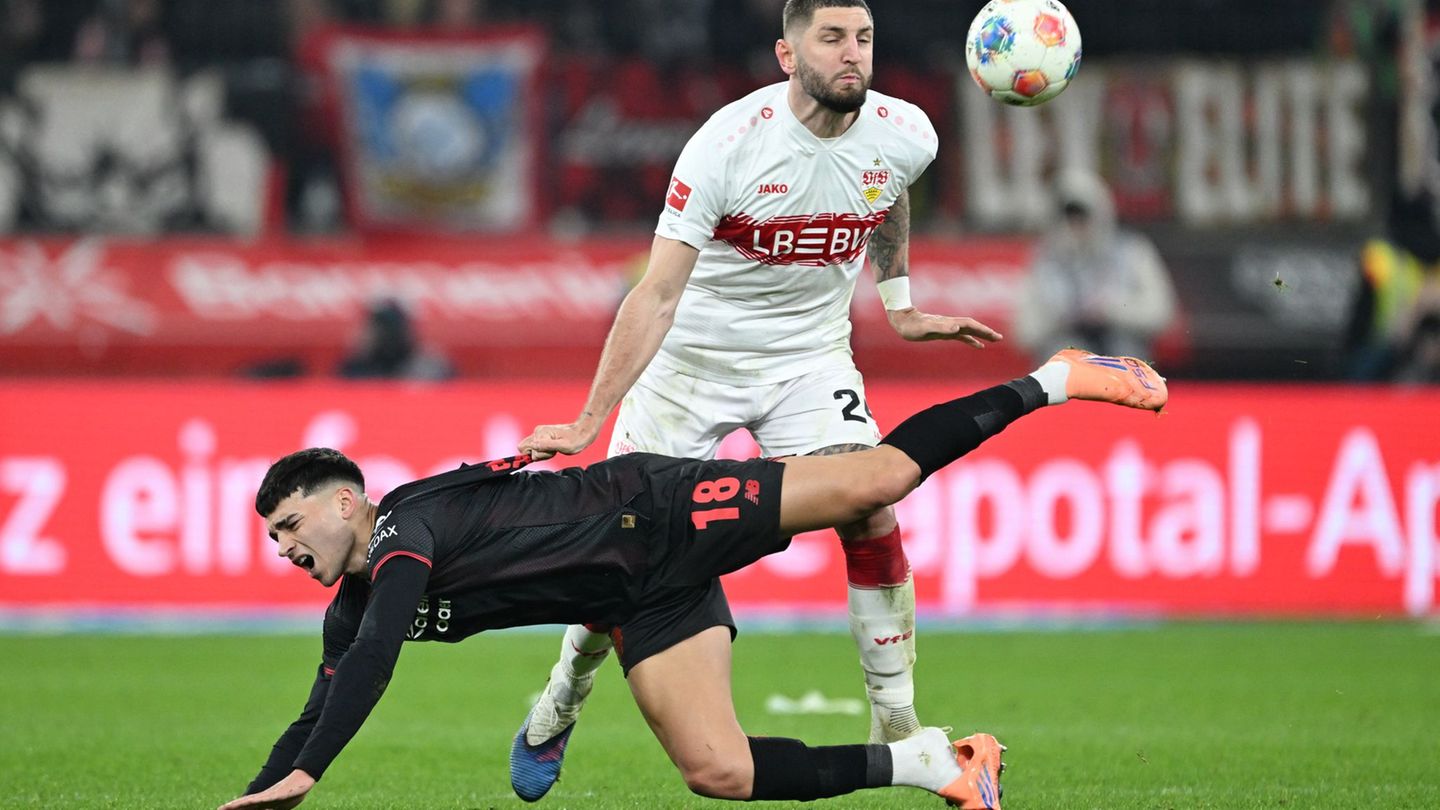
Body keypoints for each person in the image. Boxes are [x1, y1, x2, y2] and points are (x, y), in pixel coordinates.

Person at [216, 349, 1168, 810]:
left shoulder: (401, 536)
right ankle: (939, 766)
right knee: (717, 773)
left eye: (291, 525)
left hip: (657, 507)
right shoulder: (354, 598)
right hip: (640, 596)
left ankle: (1054, 377)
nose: (286, 548)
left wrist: (311, 772)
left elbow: (380, 653)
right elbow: (326, 692)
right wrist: (268, 789)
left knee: (873, 483)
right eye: (273, 539)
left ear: (345, 503)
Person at [513, 1, 1003, 792]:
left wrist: (901, 301)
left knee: (868, 506)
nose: (854, 55)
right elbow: (655, 295)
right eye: (833, 38)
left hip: (809, 360)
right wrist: (588, 419)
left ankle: (900, 719)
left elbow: (887, 191)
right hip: (690, 365)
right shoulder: (726, 145)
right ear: (787, 53)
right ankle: (563, 695)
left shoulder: (908, 130)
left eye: (865, 39)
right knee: (621, 555)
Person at [1012, 168, 1178, 364]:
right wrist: (1061, 316)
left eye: (1082, 215)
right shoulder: (1045, 261)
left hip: (1121, 353)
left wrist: (1110, 310)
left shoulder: (1133, 252)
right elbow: (1023, 332)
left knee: (1123, 347)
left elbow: (1162, 315)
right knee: (1063, 350)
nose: (1076, 224)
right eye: (1068, 216)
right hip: (1068, 360)